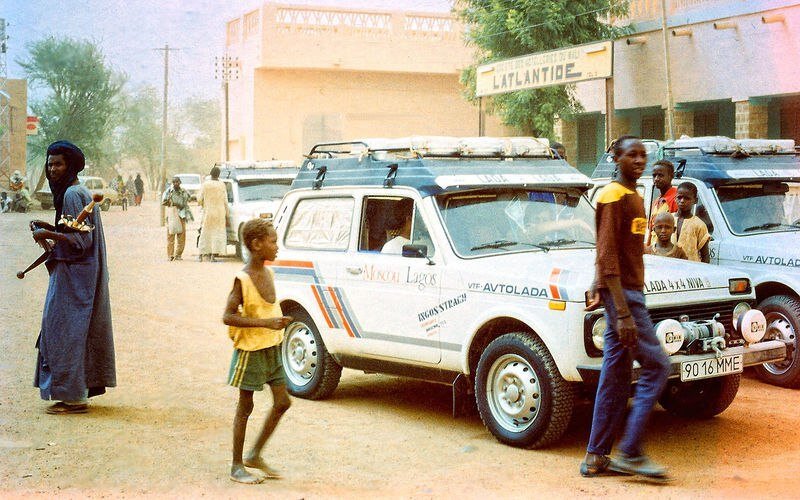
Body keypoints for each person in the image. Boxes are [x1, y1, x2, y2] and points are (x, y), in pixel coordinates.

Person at [581, 135, 670, 480]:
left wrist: (596, 283)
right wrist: (620, 312)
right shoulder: (612, 195)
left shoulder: (635, 195)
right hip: (625, 298)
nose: (639, 160)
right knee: (658, 367)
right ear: (615, 158)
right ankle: (631, 452)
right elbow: (606, 254)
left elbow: (610, 249)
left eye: (643, 155)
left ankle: (596, 456)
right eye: (631, 155)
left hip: (625, 293)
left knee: (615, 377)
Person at [30, 140, 116, 414]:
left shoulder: (72, 193)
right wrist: (49, 227)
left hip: (75, 278)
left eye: (58, 164)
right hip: (77, 275)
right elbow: (73, 229)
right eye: (50, 163)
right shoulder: (76, 192)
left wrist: (47, 235)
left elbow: (79, 242)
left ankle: (74, 398)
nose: (52, 169)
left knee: (63, 331)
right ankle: (75, 393)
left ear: (71, 166)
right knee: (71, 330)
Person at [222, 217, 294, 484]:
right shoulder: (243, 278)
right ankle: (236, 466)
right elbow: (228, 316)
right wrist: (266, 323)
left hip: (271, 349)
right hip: (251, 351)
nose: (277, 246)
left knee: (283, 402)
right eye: (273, 241)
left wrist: (276, 323)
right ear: (256, 244)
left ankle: (254, 454)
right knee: (245, 407)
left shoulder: (269, 272)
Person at [197, 166, 229, 262]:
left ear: (210, 174)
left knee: (205, 233)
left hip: (208, 212)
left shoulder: (205, 184)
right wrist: (227, 215)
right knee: (216, 234)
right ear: (219, 175)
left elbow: (199, 199)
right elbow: (225, 201)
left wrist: (203, 204)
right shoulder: (222, 184)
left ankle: (201, 254)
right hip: (219, 213)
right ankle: (212, 256)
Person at [674, 182, 710, 263]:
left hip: (691, 270)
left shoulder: (699, 225)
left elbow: (705, 256)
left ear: (695, 200)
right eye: (679, 197)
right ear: (675, 198)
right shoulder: (669, 220)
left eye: (687, 198)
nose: (682, 201)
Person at [162, 176, 194, 261]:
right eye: (174, 182)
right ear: (172, 183)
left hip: (181, 215)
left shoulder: (184, 191)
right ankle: (170, 255)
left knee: (181, 237)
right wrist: (171, 203)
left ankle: (178, 254)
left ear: (180, 182)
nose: (176, 183)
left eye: (177, 182)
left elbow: (188, 200)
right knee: (170, 236)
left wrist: (180, 204)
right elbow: (164, 202)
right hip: (172, 215)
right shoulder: (169, 191)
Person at [647, 160, 678, 245]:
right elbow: (652, 229)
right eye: (654, 175)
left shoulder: (676, 198)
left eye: (660, 175)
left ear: (671, 176)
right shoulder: (657, 201)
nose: (656, 179)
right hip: (655, 249)